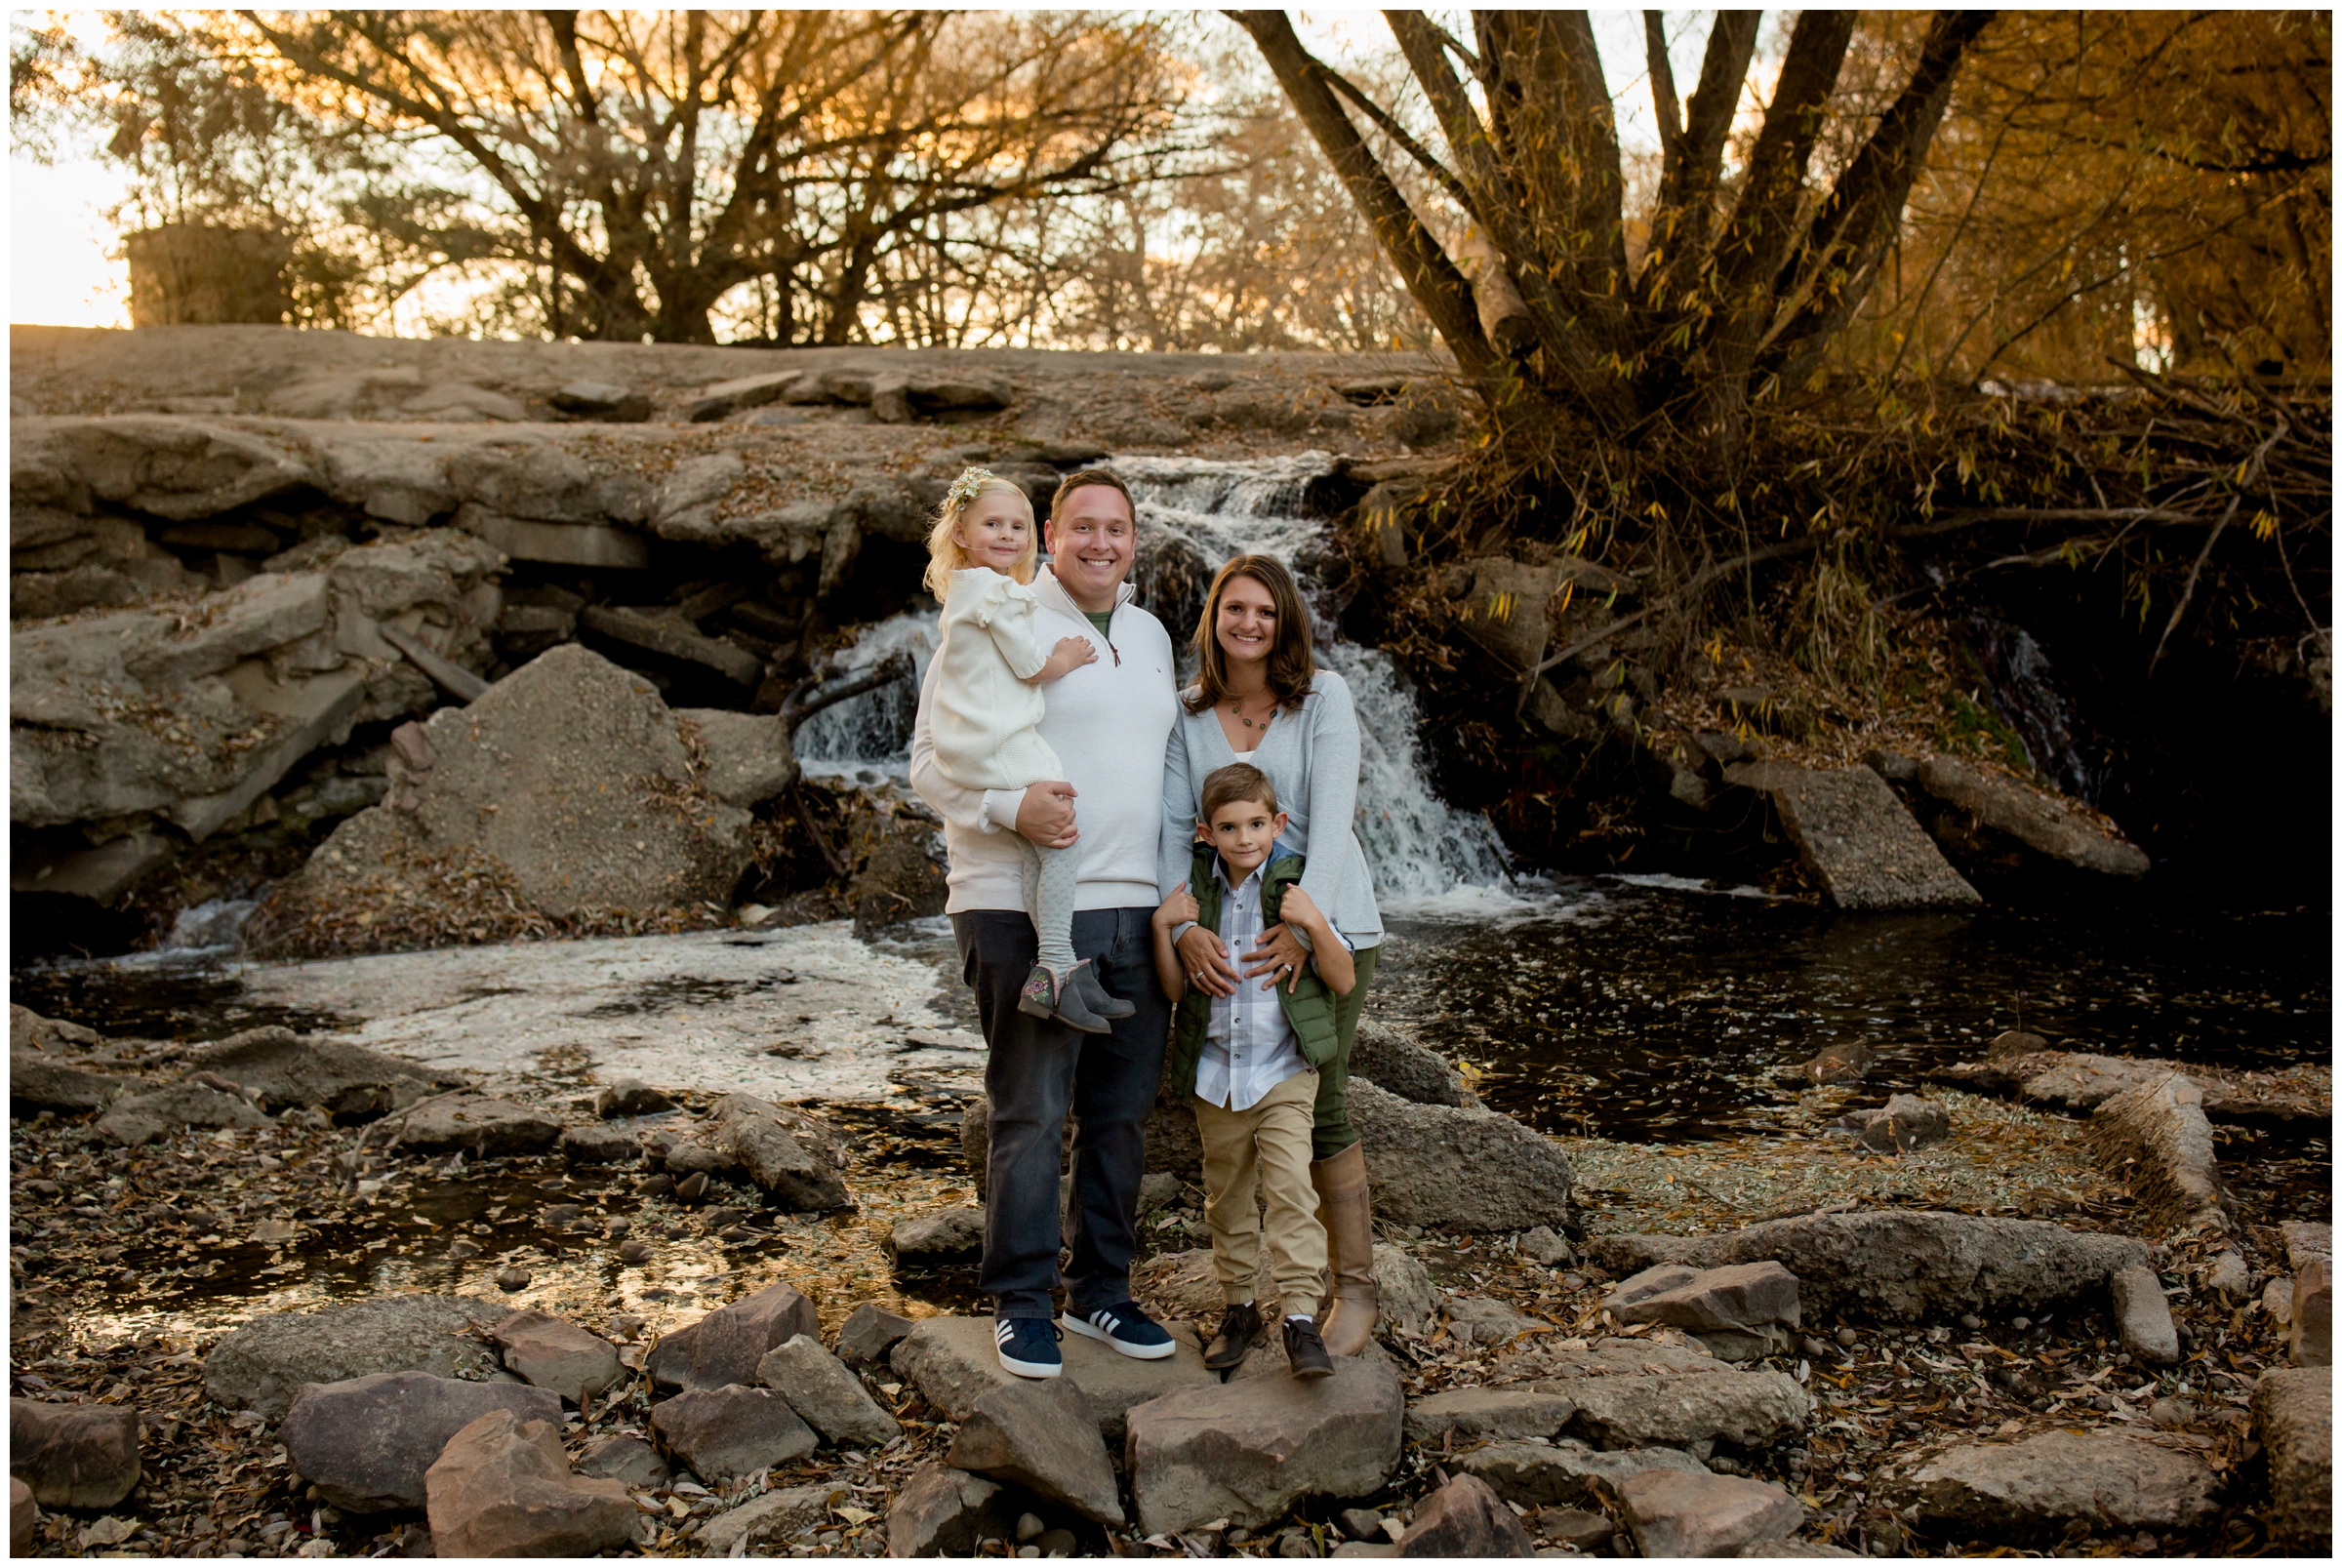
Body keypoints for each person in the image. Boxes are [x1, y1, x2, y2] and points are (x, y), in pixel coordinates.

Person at [909, 468, 1183, 1380]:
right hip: (1013, 901)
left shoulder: (1148, 635)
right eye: (1083, 527)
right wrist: (1006, 807)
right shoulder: (997, 614)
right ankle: (1023, 1303)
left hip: (1133, 906)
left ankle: (1102, 1290)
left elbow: (1170, 774)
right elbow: (926, 765)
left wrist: (1177, 894)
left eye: (1119, 529)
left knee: (1119, 1115)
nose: (1101, 543)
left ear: (1134, 541)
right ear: (1049, 534)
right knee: (1029, 1110)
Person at [1158, 553, 1388, 1357]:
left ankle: (1353, 1290)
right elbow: (1170, 826)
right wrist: (1184, 929)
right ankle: (1248, 1300)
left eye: (1264, 610)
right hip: (1225, 931)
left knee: (1320, 1099)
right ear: (1214, 618)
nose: (1249, 623)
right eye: (1234, 609)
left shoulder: (1323, 696)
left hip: (1329, 924)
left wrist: (1304, 923)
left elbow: (1331, 818)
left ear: (1286, 619)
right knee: (1231, 1134)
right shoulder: (1188, 712)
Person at [1151, 763, 1354, 1379]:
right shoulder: (1193, 894)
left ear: (1279, 824)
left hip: (1283, 1071)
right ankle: (1239, 1307)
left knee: (1292, 1187)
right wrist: (1166, 925)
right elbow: (1173, 991)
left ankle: (1298, 1315)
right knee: (1227, 1196)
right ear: (1206, 833)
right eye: (1230, 827)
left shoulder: (1297, 888)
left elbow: (1342, 980)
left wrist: (1311, 923)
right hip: (1216, 1073)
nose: (1245, 838)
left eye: (1258, 824)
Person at [919, 467, 1132, 1033]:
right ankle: (1058, 965)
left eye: (1013, 525)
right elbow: (1030, 666)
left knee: (1047, 853)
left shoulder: (968, 595)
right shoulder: (1001, 597)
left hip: (1132, 903)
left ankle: (1061, 970)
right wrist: (1063, 658)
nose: (1006, 535)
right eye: (993, 524)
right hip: (998, 773)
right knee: (1060, 841)